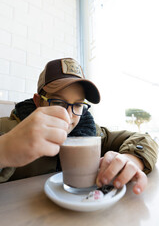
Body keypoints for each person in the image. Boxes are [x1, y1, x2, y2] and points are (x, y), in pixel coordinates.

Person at [0, 58, 158, 194]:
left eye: (77, 105)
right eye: (58, 102)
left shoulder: (92, 134)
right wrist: (5, 149)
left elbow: (144, 139)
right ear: (38, 101)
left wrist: (131, 158)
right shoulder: (7, 130)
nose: (68, 116)